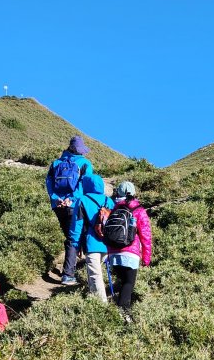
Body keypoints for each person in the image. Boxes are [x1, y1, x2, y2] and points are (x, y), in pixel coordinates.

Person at [45, 136, 94, 285]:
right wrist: (72, 200)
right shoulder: (85, 164)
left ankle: (73, 269)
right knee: (78, 237)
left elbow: (49, 183)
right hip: (75, 206)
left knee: (70, 236)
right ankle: (69, 274)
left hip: (58, 206)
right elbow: (87, 186)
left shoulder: (56, 163)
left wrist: (56, 198)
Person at [105, 181, 153, 323]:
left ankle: (116, 307)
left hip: (113, 252)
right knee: (128, 283)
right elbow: (145, 235)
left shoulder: (112, 208)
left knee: (121, 280)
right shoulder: (138, 209)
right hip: (130, 252)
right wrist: (146, 257)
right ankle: (123, 313)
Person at [68, 173, 113, 301]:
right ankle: (94, 297)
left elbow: (77, 226)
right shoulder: (108, 200)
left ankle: (101, 304)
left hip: (91, 243)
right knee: (98, 273)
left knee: (95, 274)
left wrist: (75, 245)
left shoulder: (82, 200)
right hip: (108, 243)